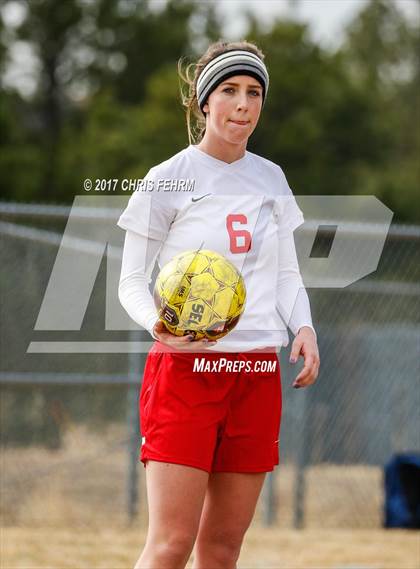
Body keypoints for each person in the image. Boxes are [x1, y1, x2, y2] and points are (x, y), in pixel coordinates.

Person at [117, 40, 320, 569]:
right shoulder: (167, 179)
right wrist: (157, 324)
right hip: (186, 371)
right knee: (170, 545)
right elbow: (132, 280)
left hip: (253, 372)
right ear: (205, 102)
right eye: (229, 90)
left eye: (254, 93)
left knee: (223, 548)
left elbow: (286, 272)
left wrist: (303, 326)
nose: (243, 104)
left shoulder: (271, 178)